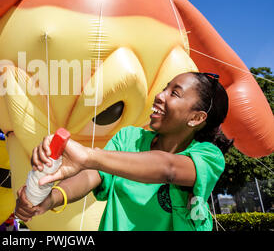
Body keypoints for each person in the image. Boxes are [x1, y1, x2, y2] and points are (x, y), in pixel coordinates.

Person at [15, 72, 232, 231]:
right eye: (164, 88)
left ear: (196, 118)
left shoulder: (208, 157)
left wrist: (90, 156)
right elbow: (94, 175)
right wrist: (52, 197)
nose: (159, 95)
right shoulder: (128, 138)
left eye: (174, 93)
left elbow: (169, 169)